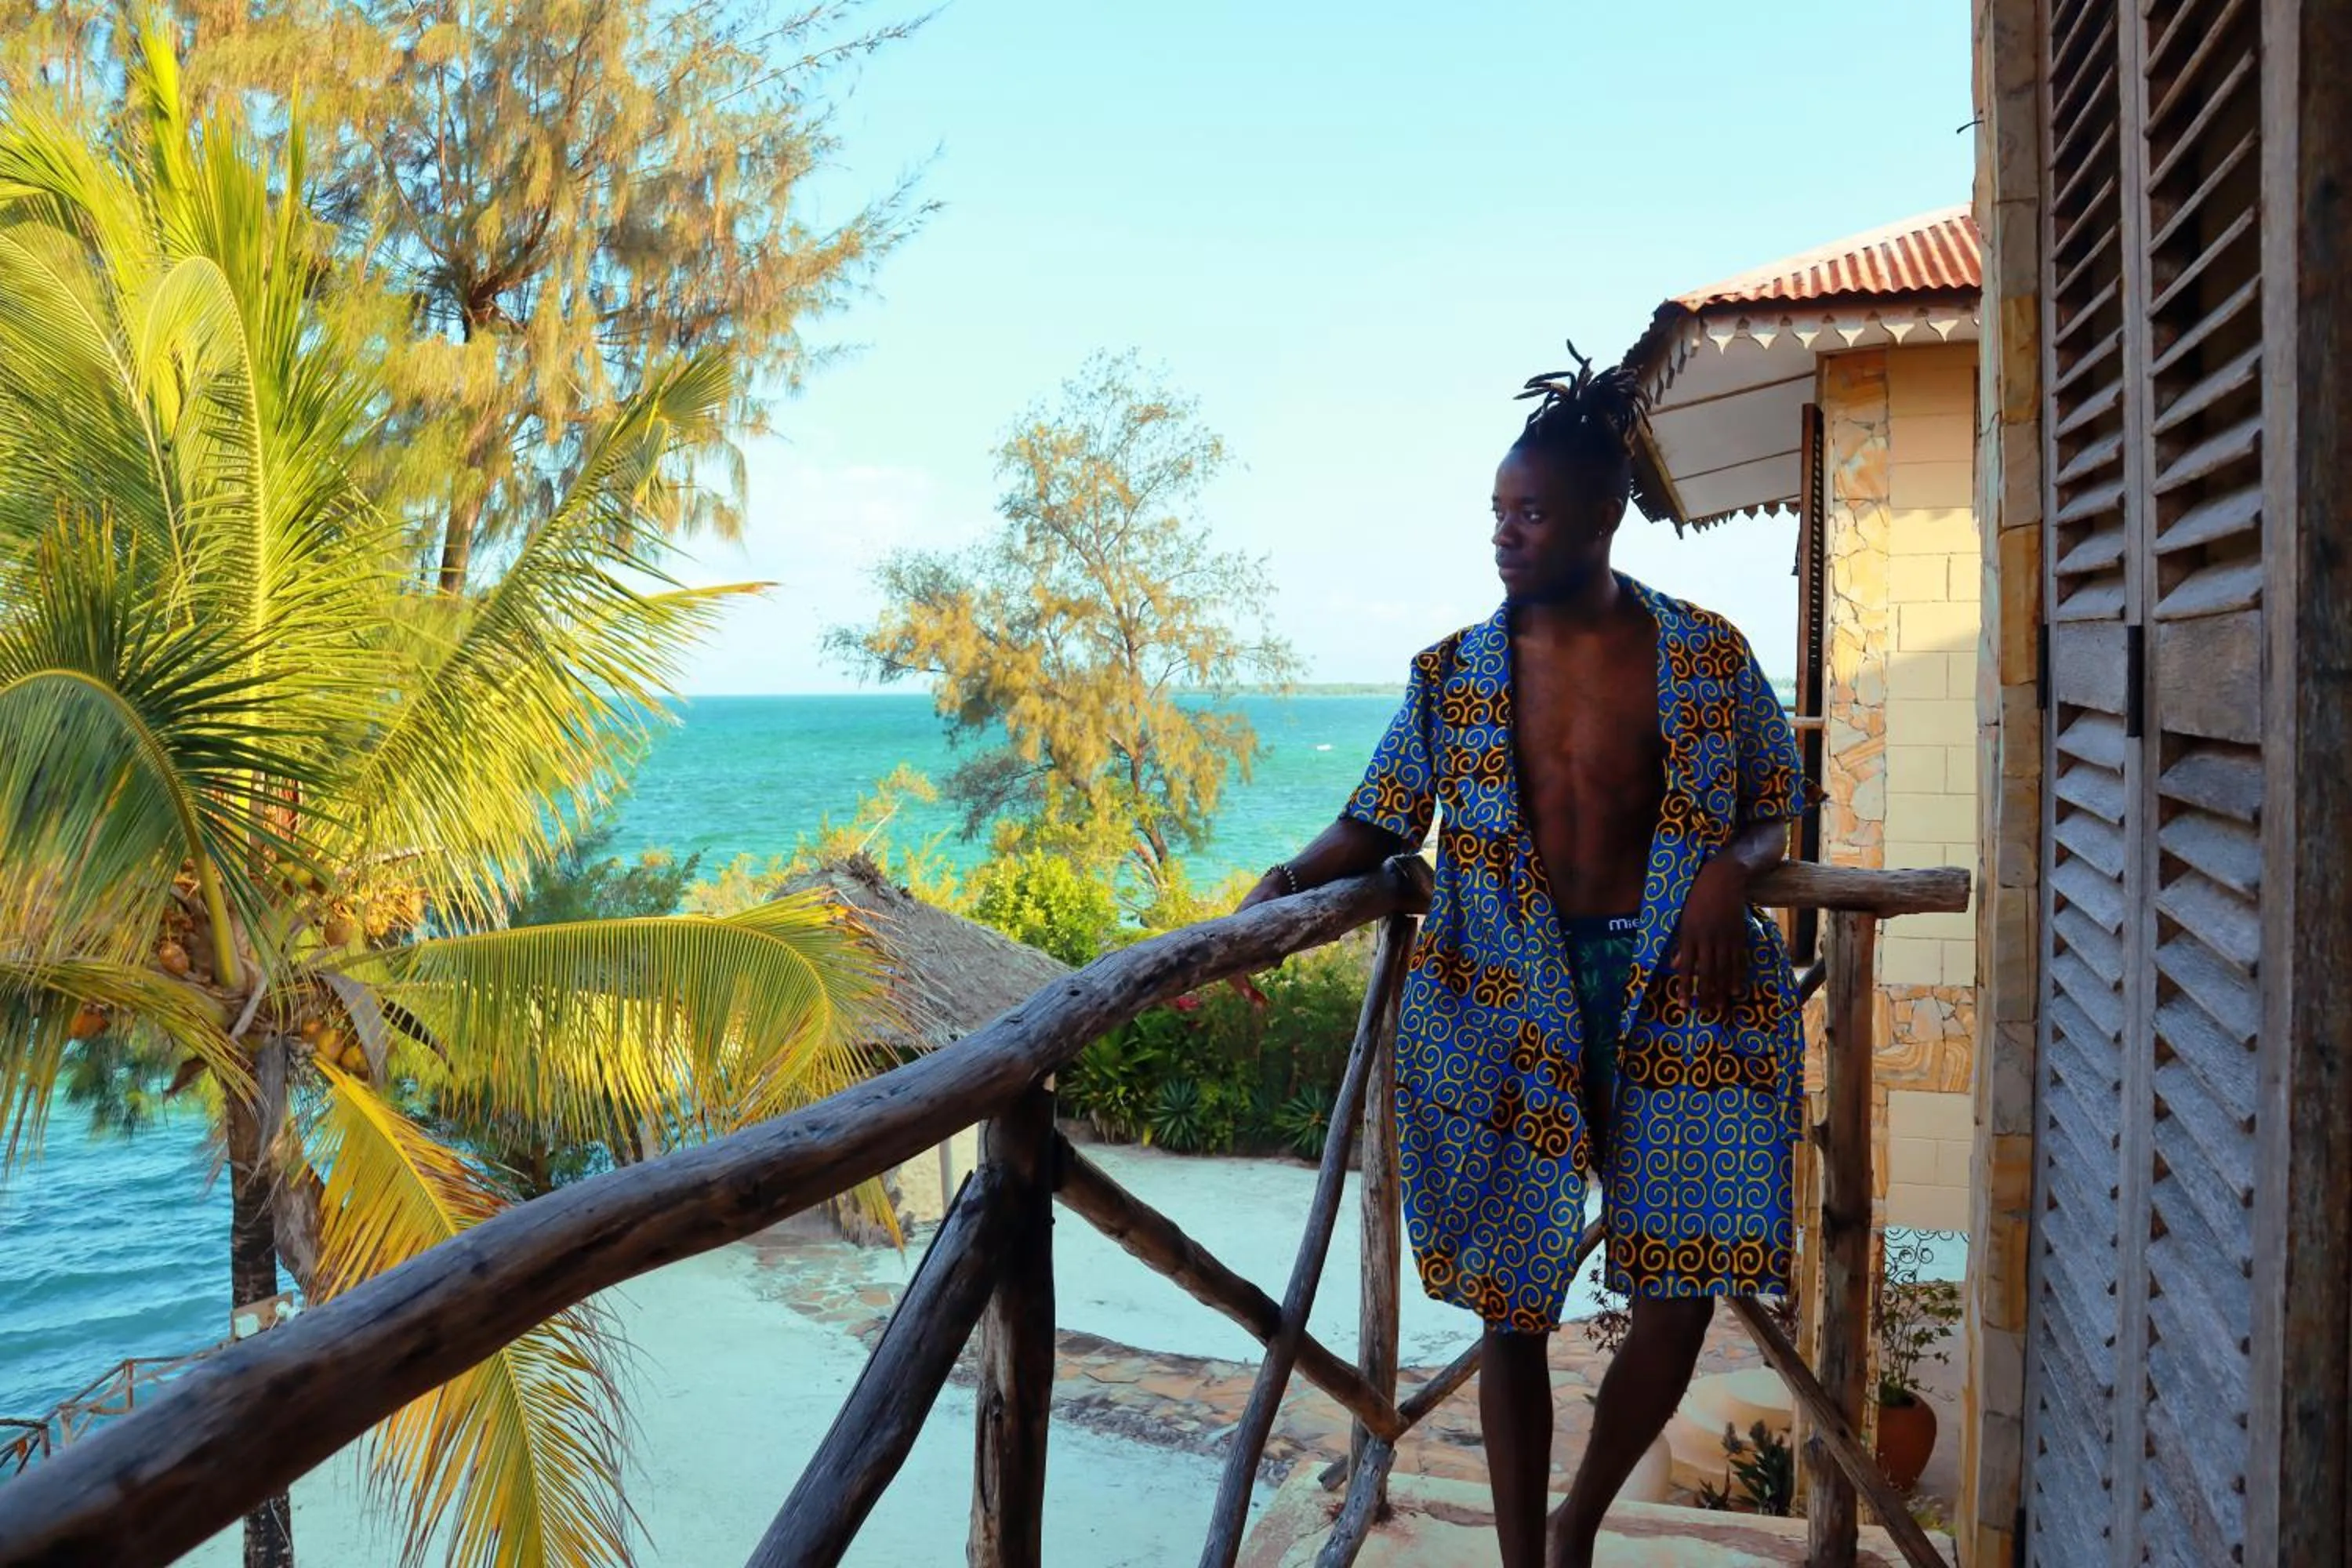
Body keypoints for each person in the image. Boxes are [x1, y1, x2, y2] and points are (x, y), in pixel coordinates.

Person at [1237, 353, 1805, 1568]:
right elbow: (1379, 821)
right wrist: (1278, 889)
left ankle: (1574, 1525)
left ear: (1603, 517)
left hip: (1683, 998)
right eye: (1497, 512)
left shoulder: (1704, 657)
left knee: (1679, 1291)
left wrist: (1728, 871)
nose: (1505, 535)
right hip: (1502, 999)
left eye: (1531, 513)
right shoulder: (1453, 677)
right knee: (1511, 1301)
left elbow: (1778, 797)